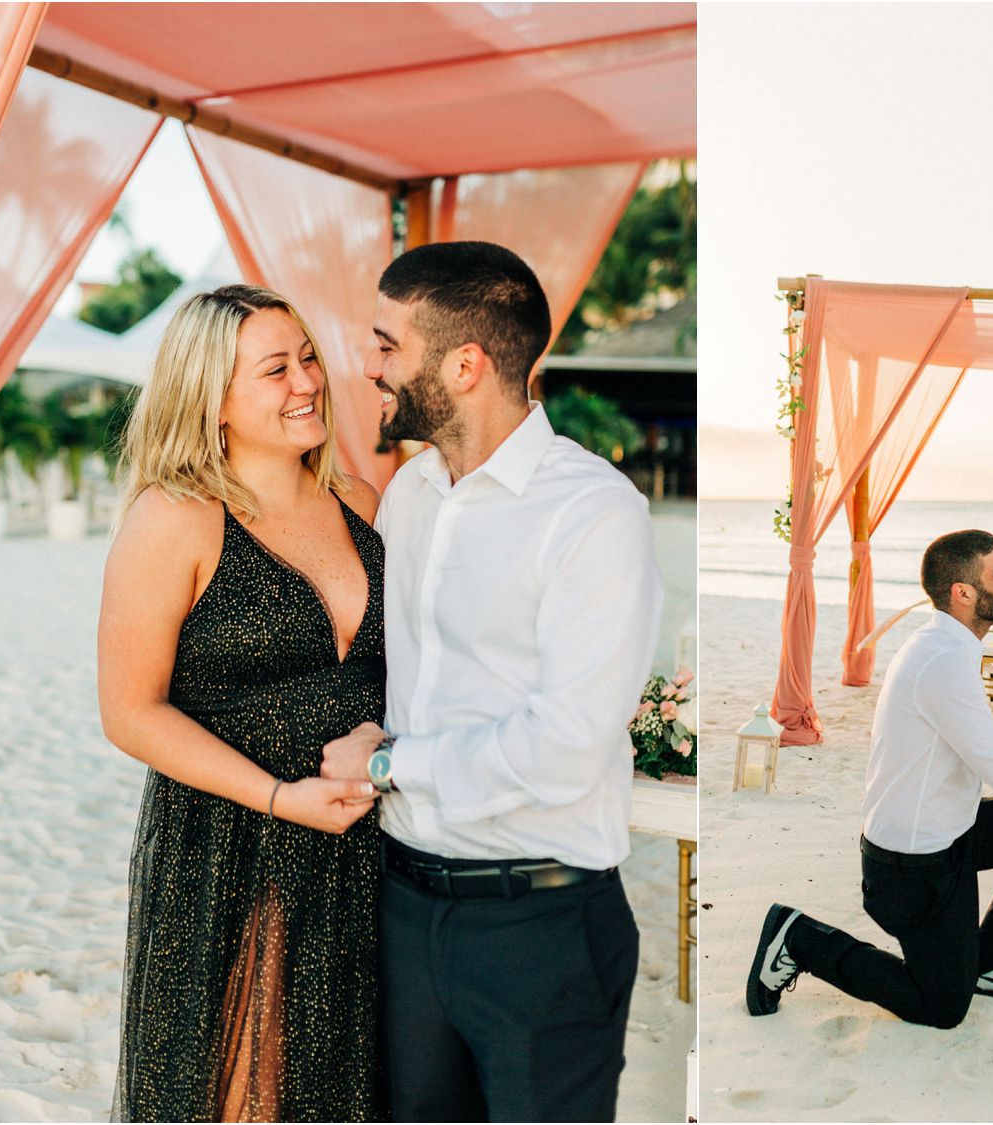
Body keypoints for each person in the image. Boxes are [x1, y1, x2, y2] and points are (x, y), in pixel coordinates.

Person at [320, 241, 662, 1122]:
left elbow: (565, 749)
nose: (368, 365)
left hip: (541, 928)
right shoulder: (410, 496)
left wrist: (390, 764)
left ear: (464, 364)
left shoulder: (594, 513)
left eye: (388, 345)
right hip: (402, 906)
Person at [98, 286, 387, 1121]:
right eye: (275, 368)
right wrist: (277, 795)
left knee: (340, 1084)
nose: (308, 381)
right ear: (212, 397)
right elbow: (129, 711)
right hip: (230, 849)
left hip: (358, 848)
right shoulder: (176, 519)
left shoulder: (362, 504)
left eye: (307, 357)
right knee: (242, 1089)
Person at [746, 530, 993, 1029]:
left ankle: (984, 965)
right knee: (941, 1008)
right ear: (963, 593)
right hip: (911, 867)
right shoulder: (941, 661)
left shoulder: (950, 646)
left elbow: (982, 742)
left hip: (953, 830)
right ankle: (798, 938)